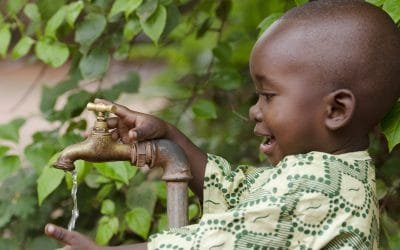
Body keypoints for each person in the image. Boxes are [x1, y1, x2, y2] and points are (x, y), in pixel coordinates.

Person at [45, 0, 400, 249]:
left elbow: (215, 242)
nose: (254, 111)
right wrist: (169, 135)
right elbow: (233, 189)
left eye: (268, 96)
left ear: (336, 110)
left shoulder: (316, 187)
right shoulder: (339, 174)